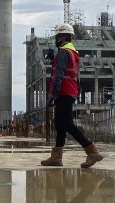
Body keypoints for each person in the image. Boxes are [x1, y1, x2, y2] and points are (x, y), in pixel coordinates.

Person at [41, 23, 104, 168]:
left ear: (62, 37)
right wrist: (52, 59)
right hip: (68, 91)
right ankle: (56, 157)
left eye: (57, 36)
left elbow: (59, 75)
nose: (56, 39)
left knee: (67, 123)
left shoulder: (64, 52)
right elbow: (65, 69)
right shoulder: (71, 52)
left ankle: (92, 152)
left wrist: (52, 94)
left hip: (64, 92)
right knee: (60, 124)